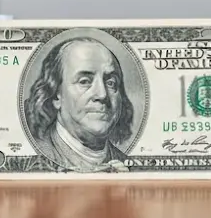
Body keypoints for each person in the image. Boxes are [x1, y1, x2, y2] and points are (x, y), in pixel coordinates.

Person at [24, 37, 135, 172]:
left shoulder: (130, 166)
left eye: (111, 83)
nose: (102, 94)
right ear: (56, 96)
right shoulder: (34, 158)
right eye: (84, 81)